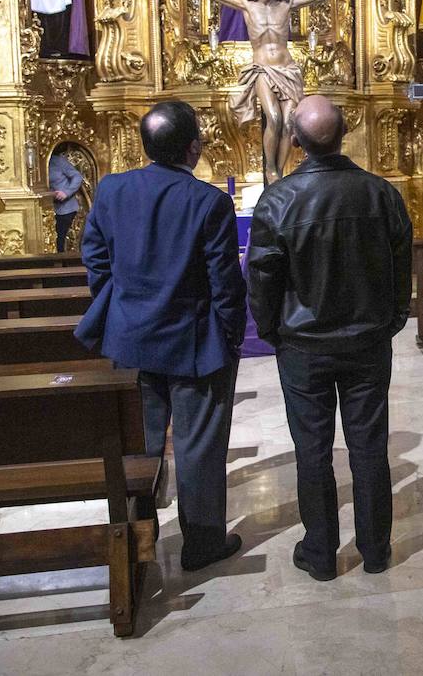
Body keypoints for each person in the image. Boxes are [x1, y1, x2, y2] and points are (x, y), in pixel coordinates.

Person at [245, 95, 413, 580]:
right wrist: (394, 316)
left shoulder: (278, 200)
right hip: (365, 341)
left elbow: (262, 277)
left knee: (312, 448)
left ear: (294, 141)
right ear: (345, 134)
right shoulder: (380, 193)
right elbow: (403, 263)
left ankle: (320, 554)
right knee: (368, 445)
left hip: (304, 344)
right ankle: (376, 551)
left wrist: (272, 329)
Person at [75, 100, 247, 572]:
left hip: (130, 337)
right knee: (198, 447)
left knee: (143, 447)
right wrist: (232, 337)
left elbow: (94, 256)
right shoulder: (208, 201)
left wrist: (120, 302)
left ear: (146, 146)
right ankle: (202, 543)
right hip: (194, 341)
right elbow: (225, 282)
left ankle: (142, 537)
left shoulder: (111, 190)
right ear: (193, 148)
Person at [161, 0, 362, 185]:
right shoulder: (247, 4)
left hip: (288, 69)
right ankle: (269, 169)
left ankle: (279, 171)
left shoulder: (287, 4)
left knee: (289, 123)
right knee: (274, 118)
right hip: (263, 70)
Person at [46, 152, 84, 252]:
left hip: (66, 208)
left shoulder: (57, 161)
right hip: (48, 209)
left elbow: (77, 177)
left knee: (61, 240)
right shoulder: (36, 164)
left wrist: (66, 192)